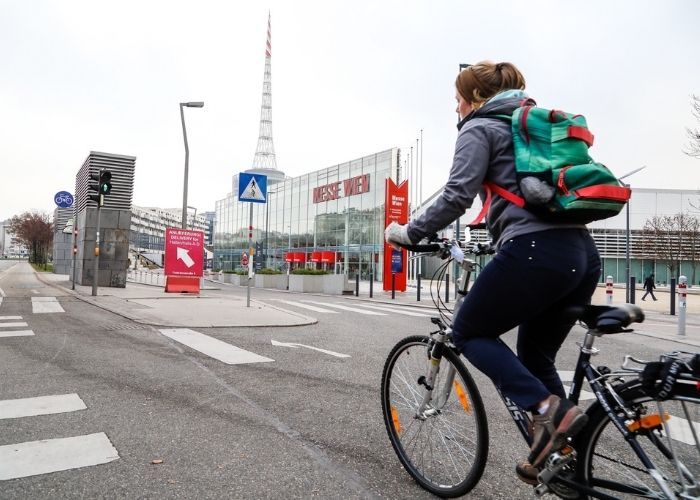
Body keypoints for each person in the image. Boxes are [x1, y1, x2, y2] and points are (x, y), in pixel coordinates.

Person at [385, 61, 601, 485]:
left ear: (475, 99)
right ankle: (567, 467)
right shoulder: (533, 127)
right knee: (536, 356)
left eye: (458, 100)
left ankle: (546, 411)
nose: (457, 109)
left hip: (536, 252)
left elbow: (456, 196)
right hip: (581, 254)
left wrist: (408, 232)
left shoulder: (479, 128)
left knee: (467, 333)